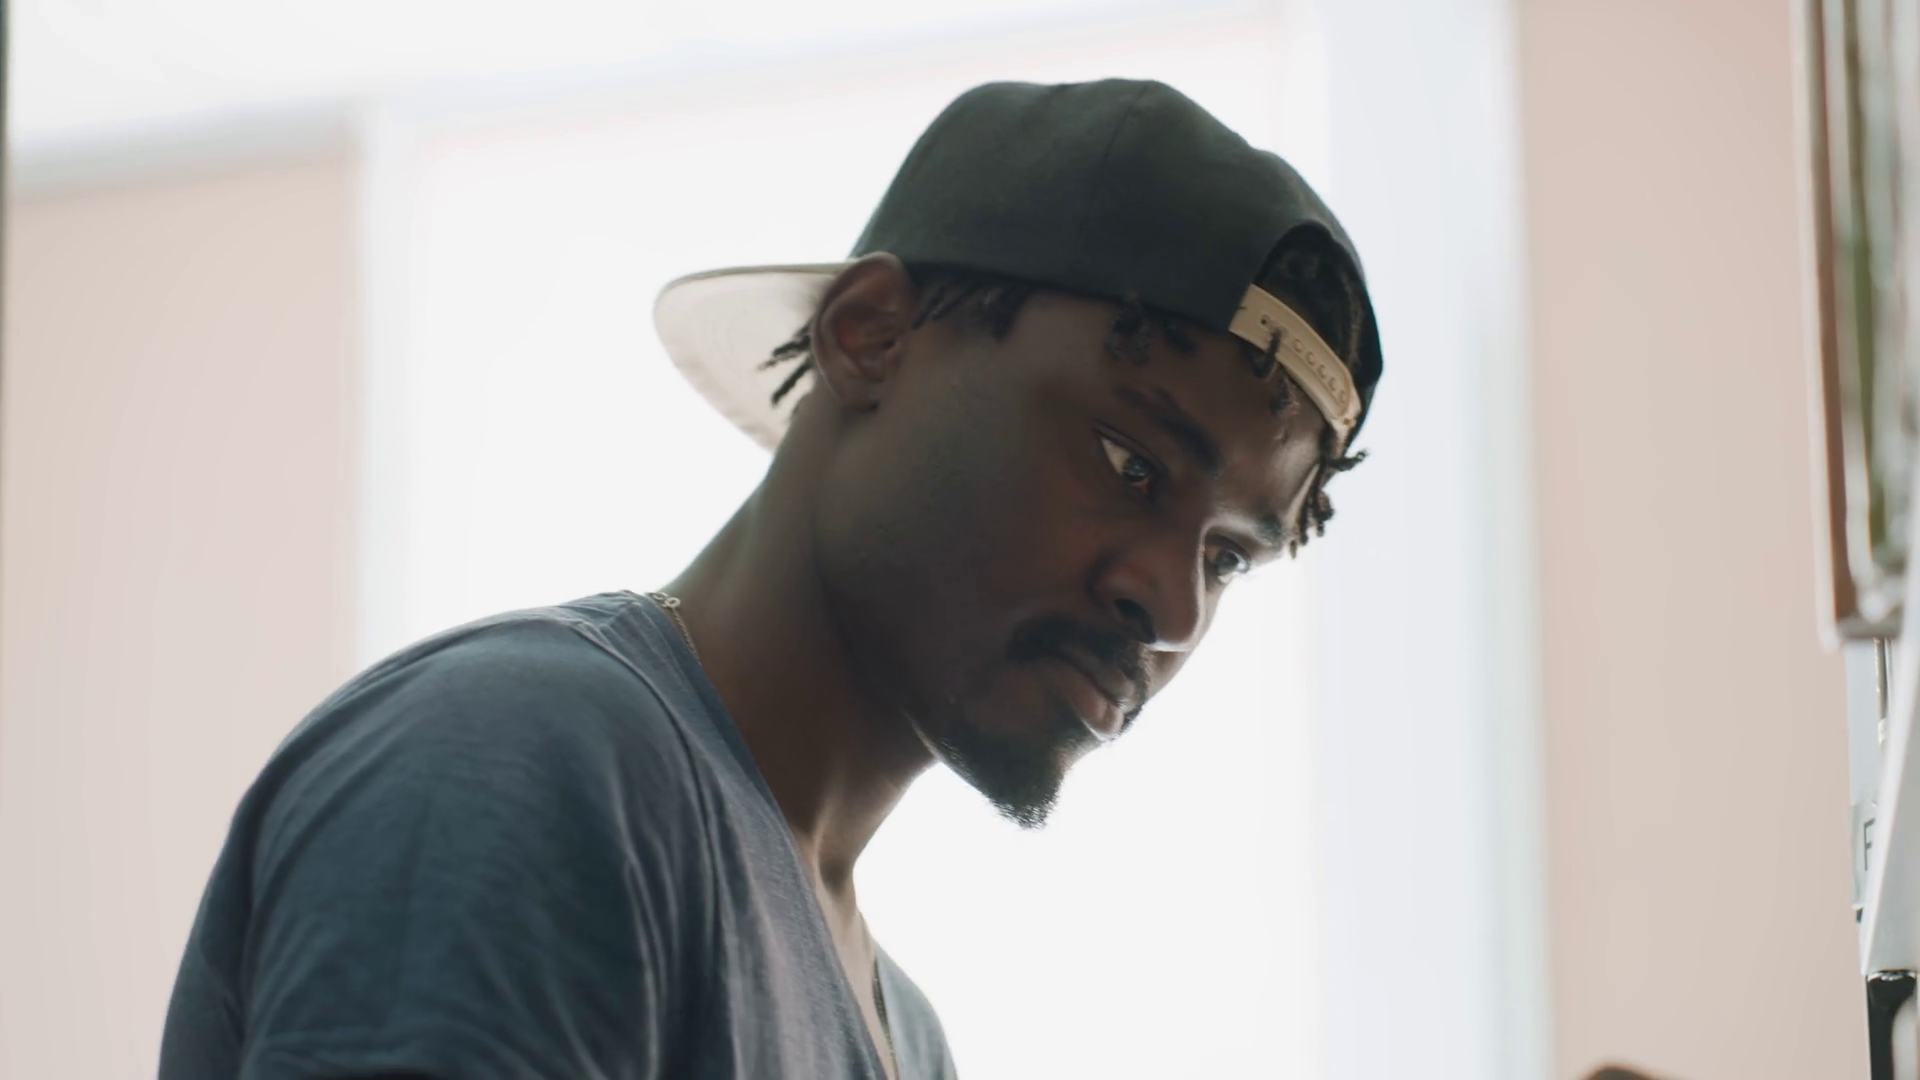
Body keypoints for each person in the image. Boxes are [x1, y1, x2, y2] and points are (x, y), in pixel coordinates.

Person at [159, 78, 1384, 1080]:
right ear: (871, 337)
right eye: (1129, 461)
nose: (1172, 608)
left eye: (1229, 556)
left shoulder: (908, 1039)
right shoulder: (527, 769)